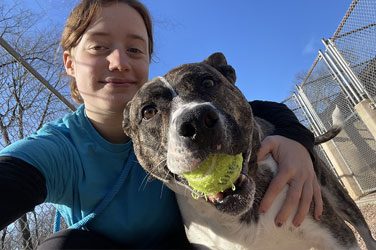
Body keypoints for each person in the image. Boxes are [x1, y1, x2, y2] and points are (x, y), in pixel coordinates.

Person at [0, 0, 322, 248]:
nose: (120, 62)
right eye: (99, 46)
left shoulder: (179, 115)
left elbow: (252, 108)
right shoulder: (57, 148)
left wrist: (296, 141)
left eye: (135, 49)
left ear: (148, 60)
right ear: (70, 62)